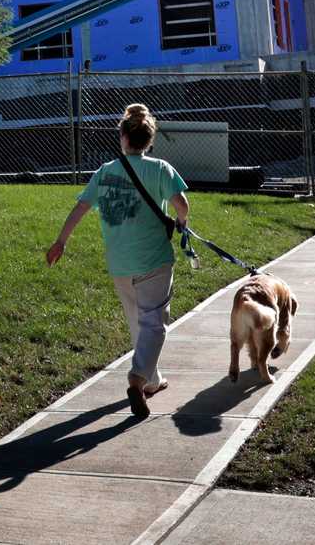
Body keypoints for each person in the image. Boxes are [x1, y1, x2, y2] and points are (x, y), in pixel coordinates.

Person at [44, 102, 190, 419]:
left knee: (138, 323)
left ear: (122, 136)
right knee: (155, 324)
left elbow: (80, 208)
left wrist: (61, 241)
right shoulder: (161, 169)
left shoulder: (105, 172)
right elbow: (182, 204)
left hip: (120, 264)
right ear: (149, 140)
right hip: (153, 260)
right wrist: (181, 221)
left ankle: (152, 380)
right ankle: (137, 380)